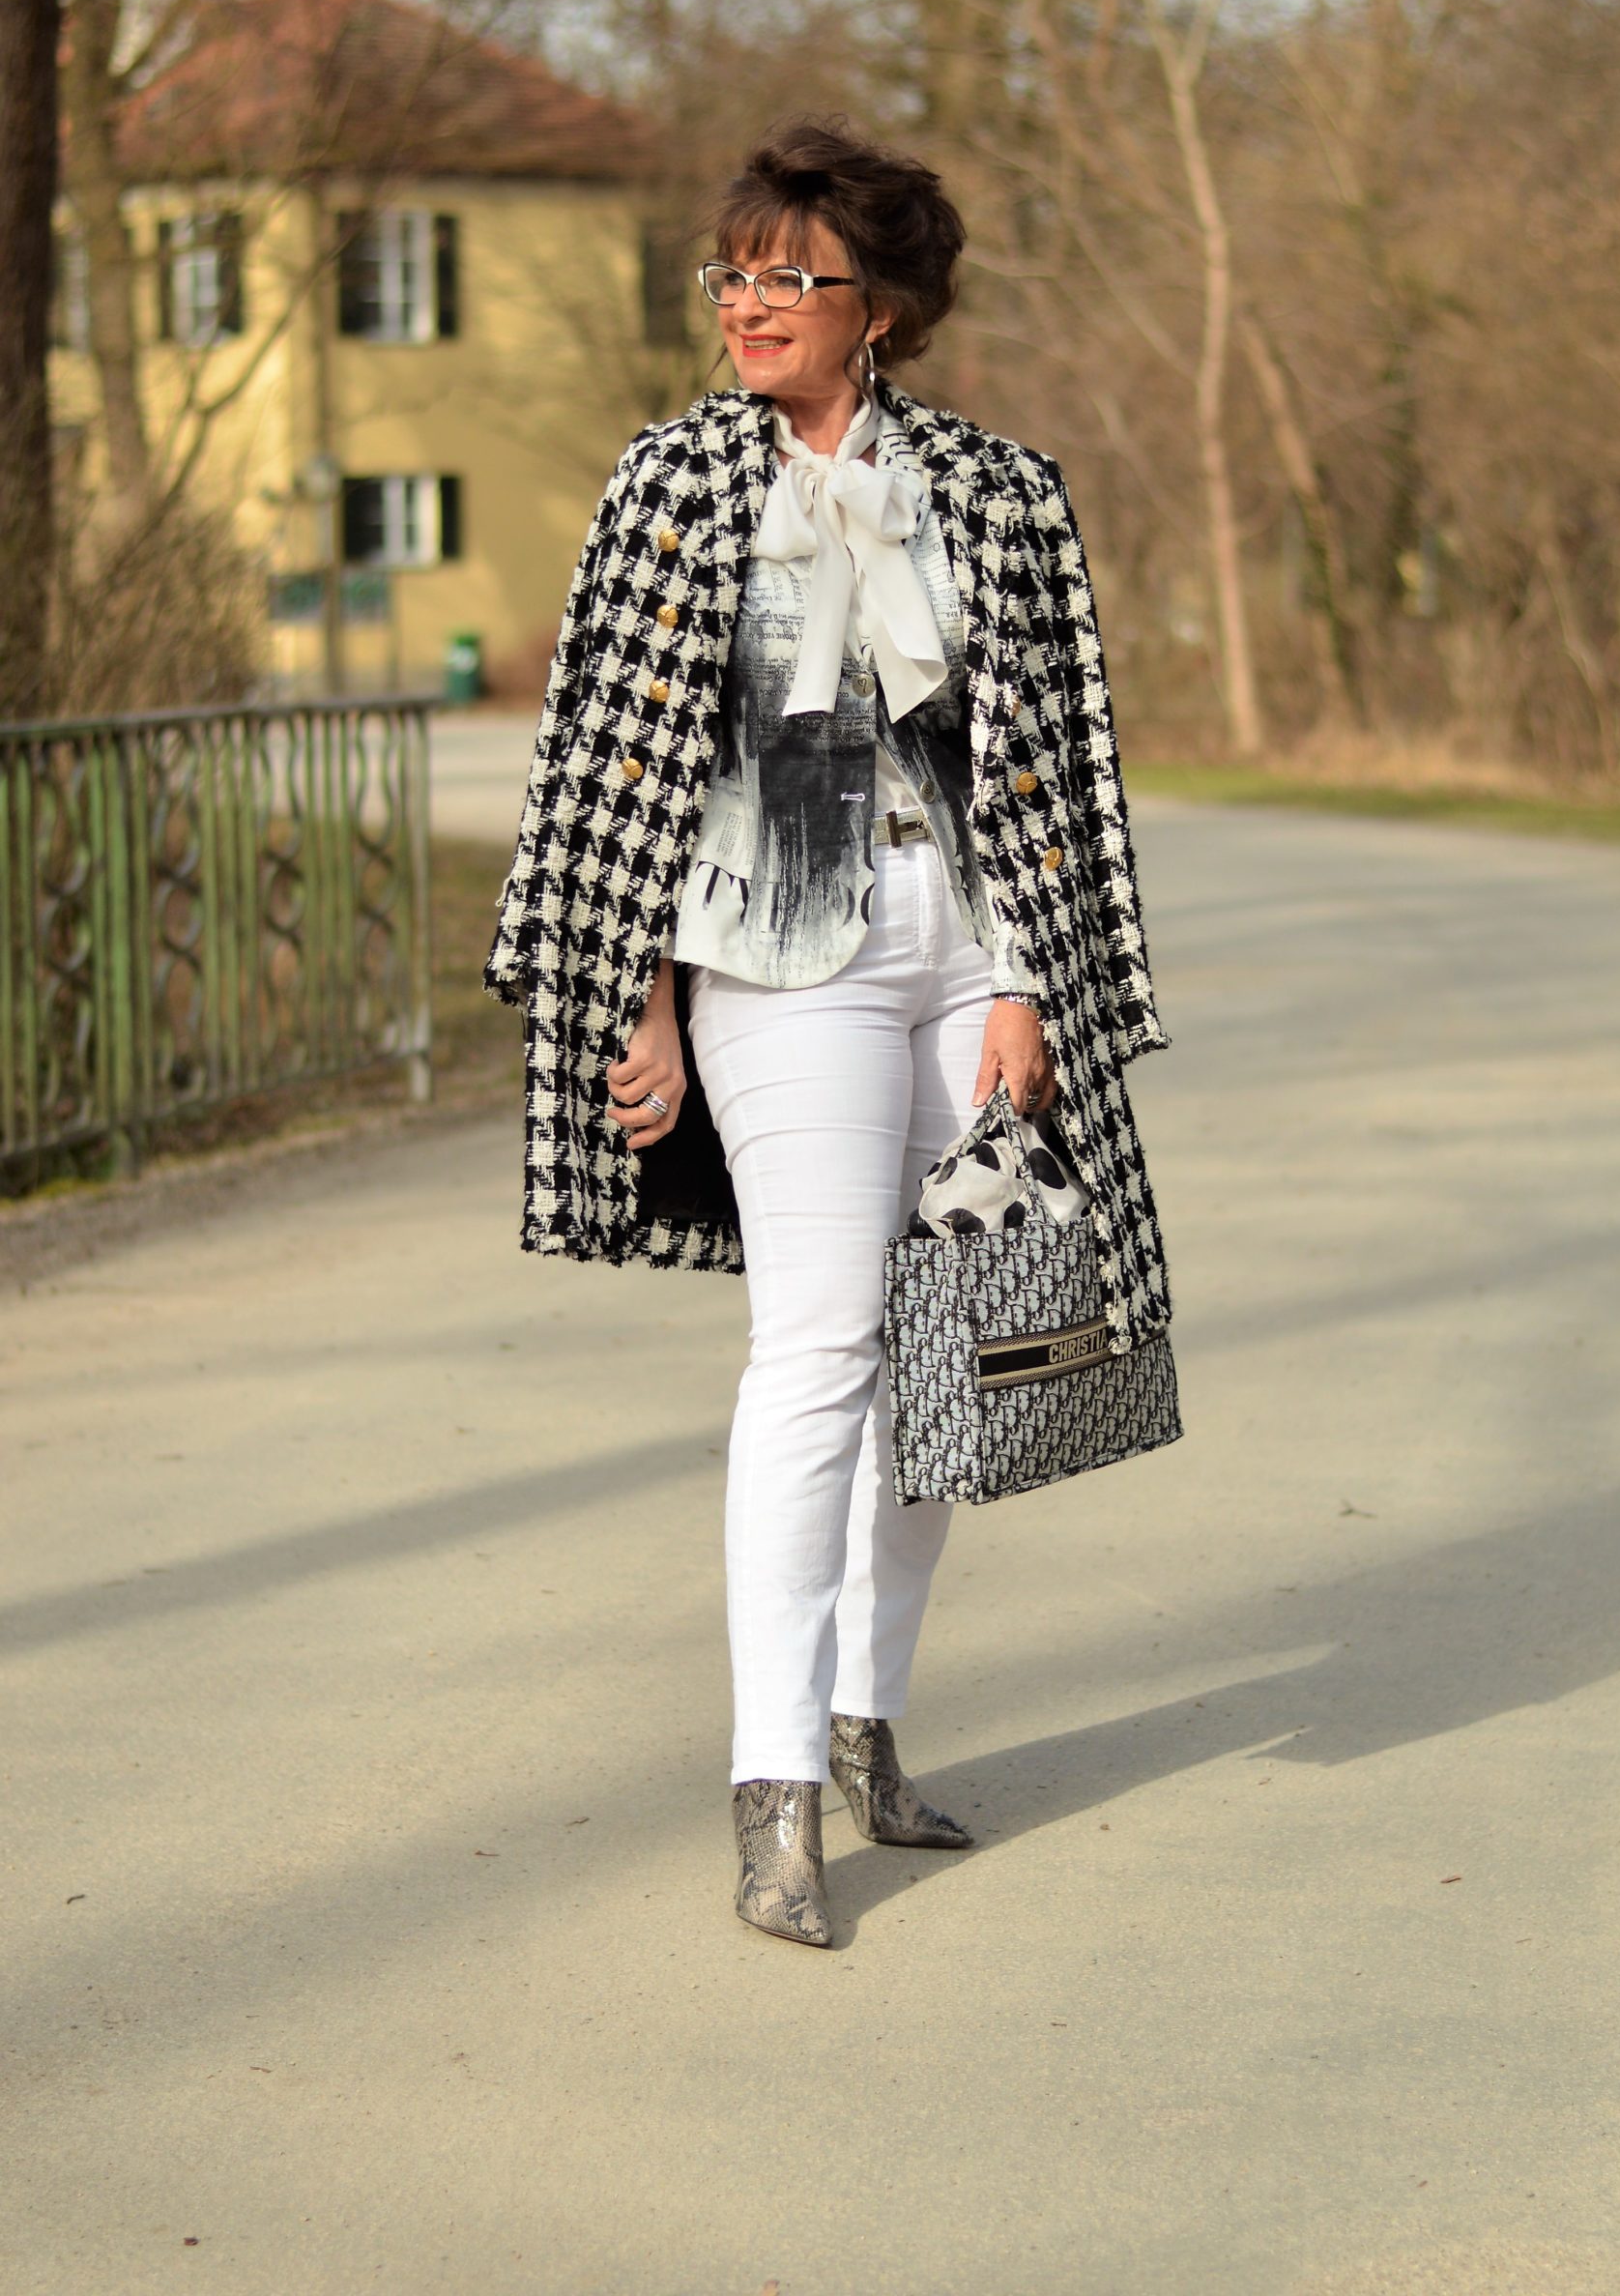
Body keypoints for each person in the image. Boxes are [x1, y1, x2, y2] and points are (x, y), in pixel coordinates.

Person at [485, 118, 1172, 1950]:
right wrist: (635, 997)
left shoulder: (998, 492)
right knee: (816, 1350)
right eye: (733, 271)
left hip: (967, 947)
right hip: (775, 952)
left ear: (883, 307)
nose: (748, 302)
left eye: (790, 275)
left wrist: (1029, 980)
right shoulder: (668, 484)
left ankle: (869, 1723)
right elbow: (605, 761)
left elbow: (1055, 761)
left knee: (947, 1335)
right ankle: (773, 1787)